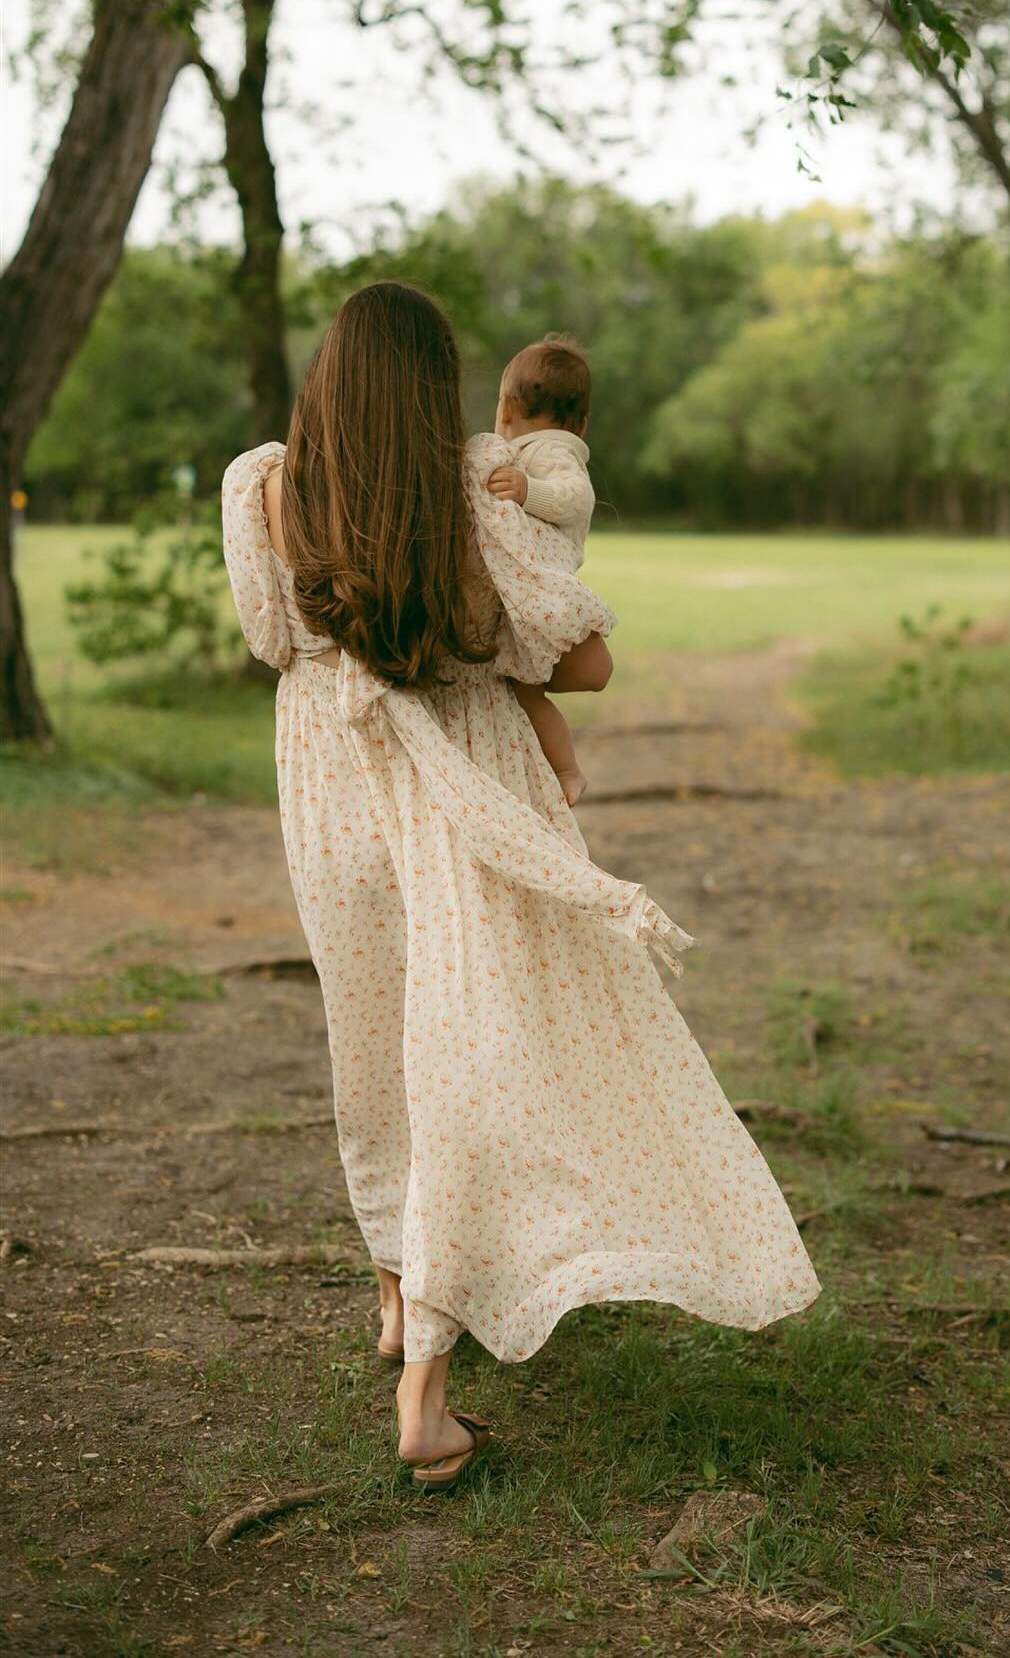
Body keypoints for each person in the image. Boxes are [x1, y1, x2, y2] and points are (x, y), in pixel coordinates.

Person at [220, 282, 819, 1491]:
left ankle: (400, 1298)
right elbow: (583, 662)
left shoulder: (263, 488)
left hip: (329, 785)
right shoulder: (467, 504)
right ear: (433, 390)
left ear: (327, 380)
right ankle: (426, 1388)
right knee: (464, 1054)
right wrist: (490, 647)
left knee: (372, 1045)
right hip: (457, 788)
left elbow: (271, 639)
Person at [484, 334, 596, 805]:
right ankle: (548, 772)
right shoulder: (530, 452)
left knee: (527, 692)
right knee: (521, 693)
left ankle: (566, 770)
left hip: (543, 589)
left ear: (506, 408)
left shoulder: (551, 451)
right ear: (583, 422)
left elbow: (577, 497)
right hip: (528, 586)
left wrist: (529, 490)